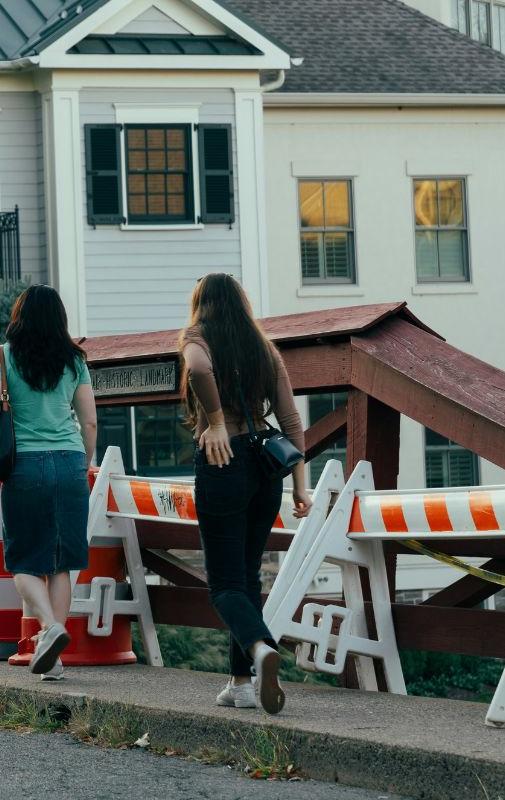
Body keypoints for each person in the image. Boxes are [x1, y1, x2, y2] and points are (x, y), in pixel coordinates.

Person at [179, 272, 313, 715]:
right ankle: (240, 684)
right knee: (249, 575)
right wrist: (300, 486)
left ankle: (259, 650)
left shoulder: (198, 335)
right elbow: (292, 422)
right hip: (265, 468)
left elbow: (198, 367)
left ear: (203, 304)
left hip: (223, 461)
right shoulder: (263, 346)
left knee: (223, 584)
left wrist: (215, 421)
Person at [0, 285, 96, 679]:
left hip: (24, 466)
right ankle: (55, 659)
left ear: (20, 316)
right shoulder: (74, 360)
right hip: (70, 462)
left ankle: (51, 628)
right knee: (62, 563)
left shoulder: (2, 356)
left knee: (24, 561)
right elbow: (90, 421)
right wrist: (86, 462)